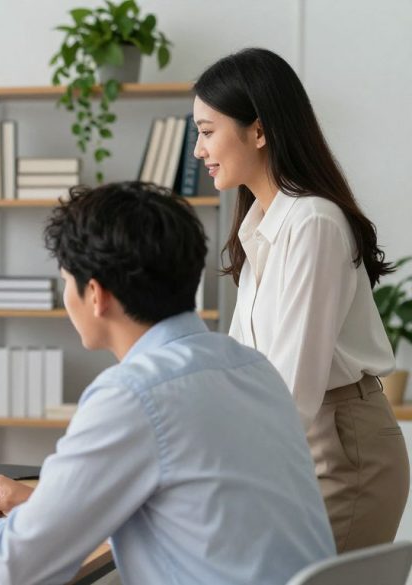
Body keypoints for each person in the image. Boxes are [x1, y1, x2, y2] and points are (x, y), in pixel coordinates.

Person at [0, 182, 334, 585]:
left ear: (95, 294)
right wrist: (45, 508)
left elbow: (19, 565)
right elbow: (196, 512)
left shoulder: (134, 394)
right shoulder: (251, 367)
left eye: (66, 281)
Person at [193, 47, 408, 552]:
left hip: (341, 451)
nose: (199, 150)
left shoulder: (312, 223)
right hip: (299, 444)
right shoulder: (259, 227)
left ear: (259, 131)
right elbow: (243, 367)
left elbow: (294, 388)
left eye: (206, 132)